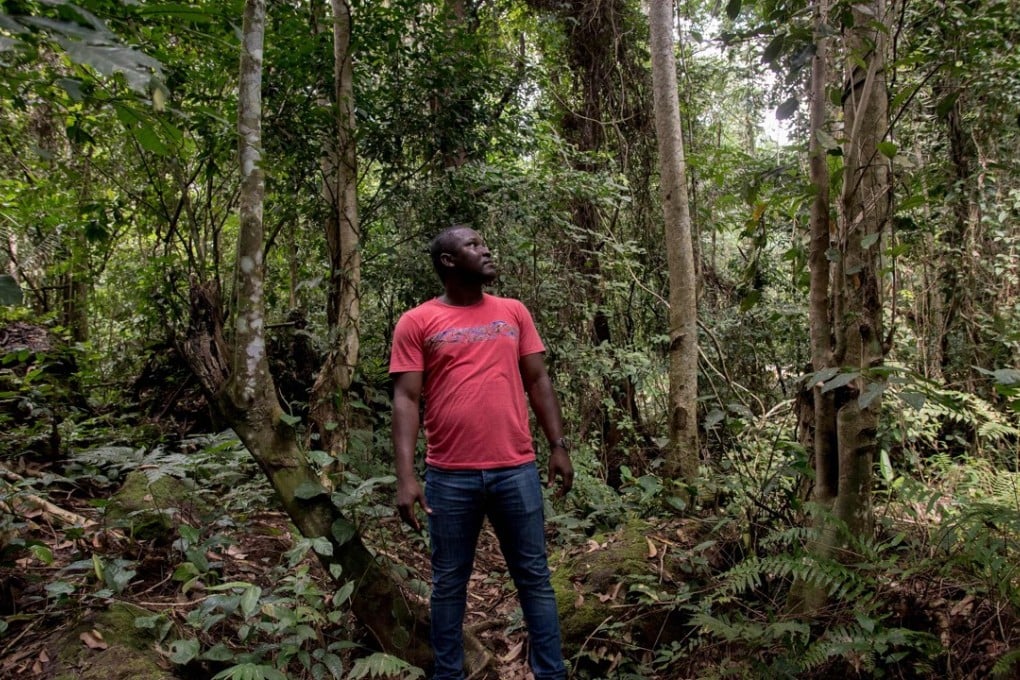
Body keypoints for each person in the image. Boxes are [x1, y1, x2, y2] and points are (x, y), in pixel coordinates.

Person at [390, 225, 573, 680]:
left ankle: (552, 674)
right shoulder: (417, 322)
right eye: (472, 245)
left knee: (534, 579)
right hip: (450, 476)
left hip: (516, 470)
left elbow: (537, 380)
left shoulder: (512, 312)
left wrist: (557, 445)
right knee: (449, 584)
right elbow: (406, 400)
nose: (486, 249)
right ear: (448, 262)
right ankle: (449, 674)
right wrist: (406, 476)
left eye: (484, 242)